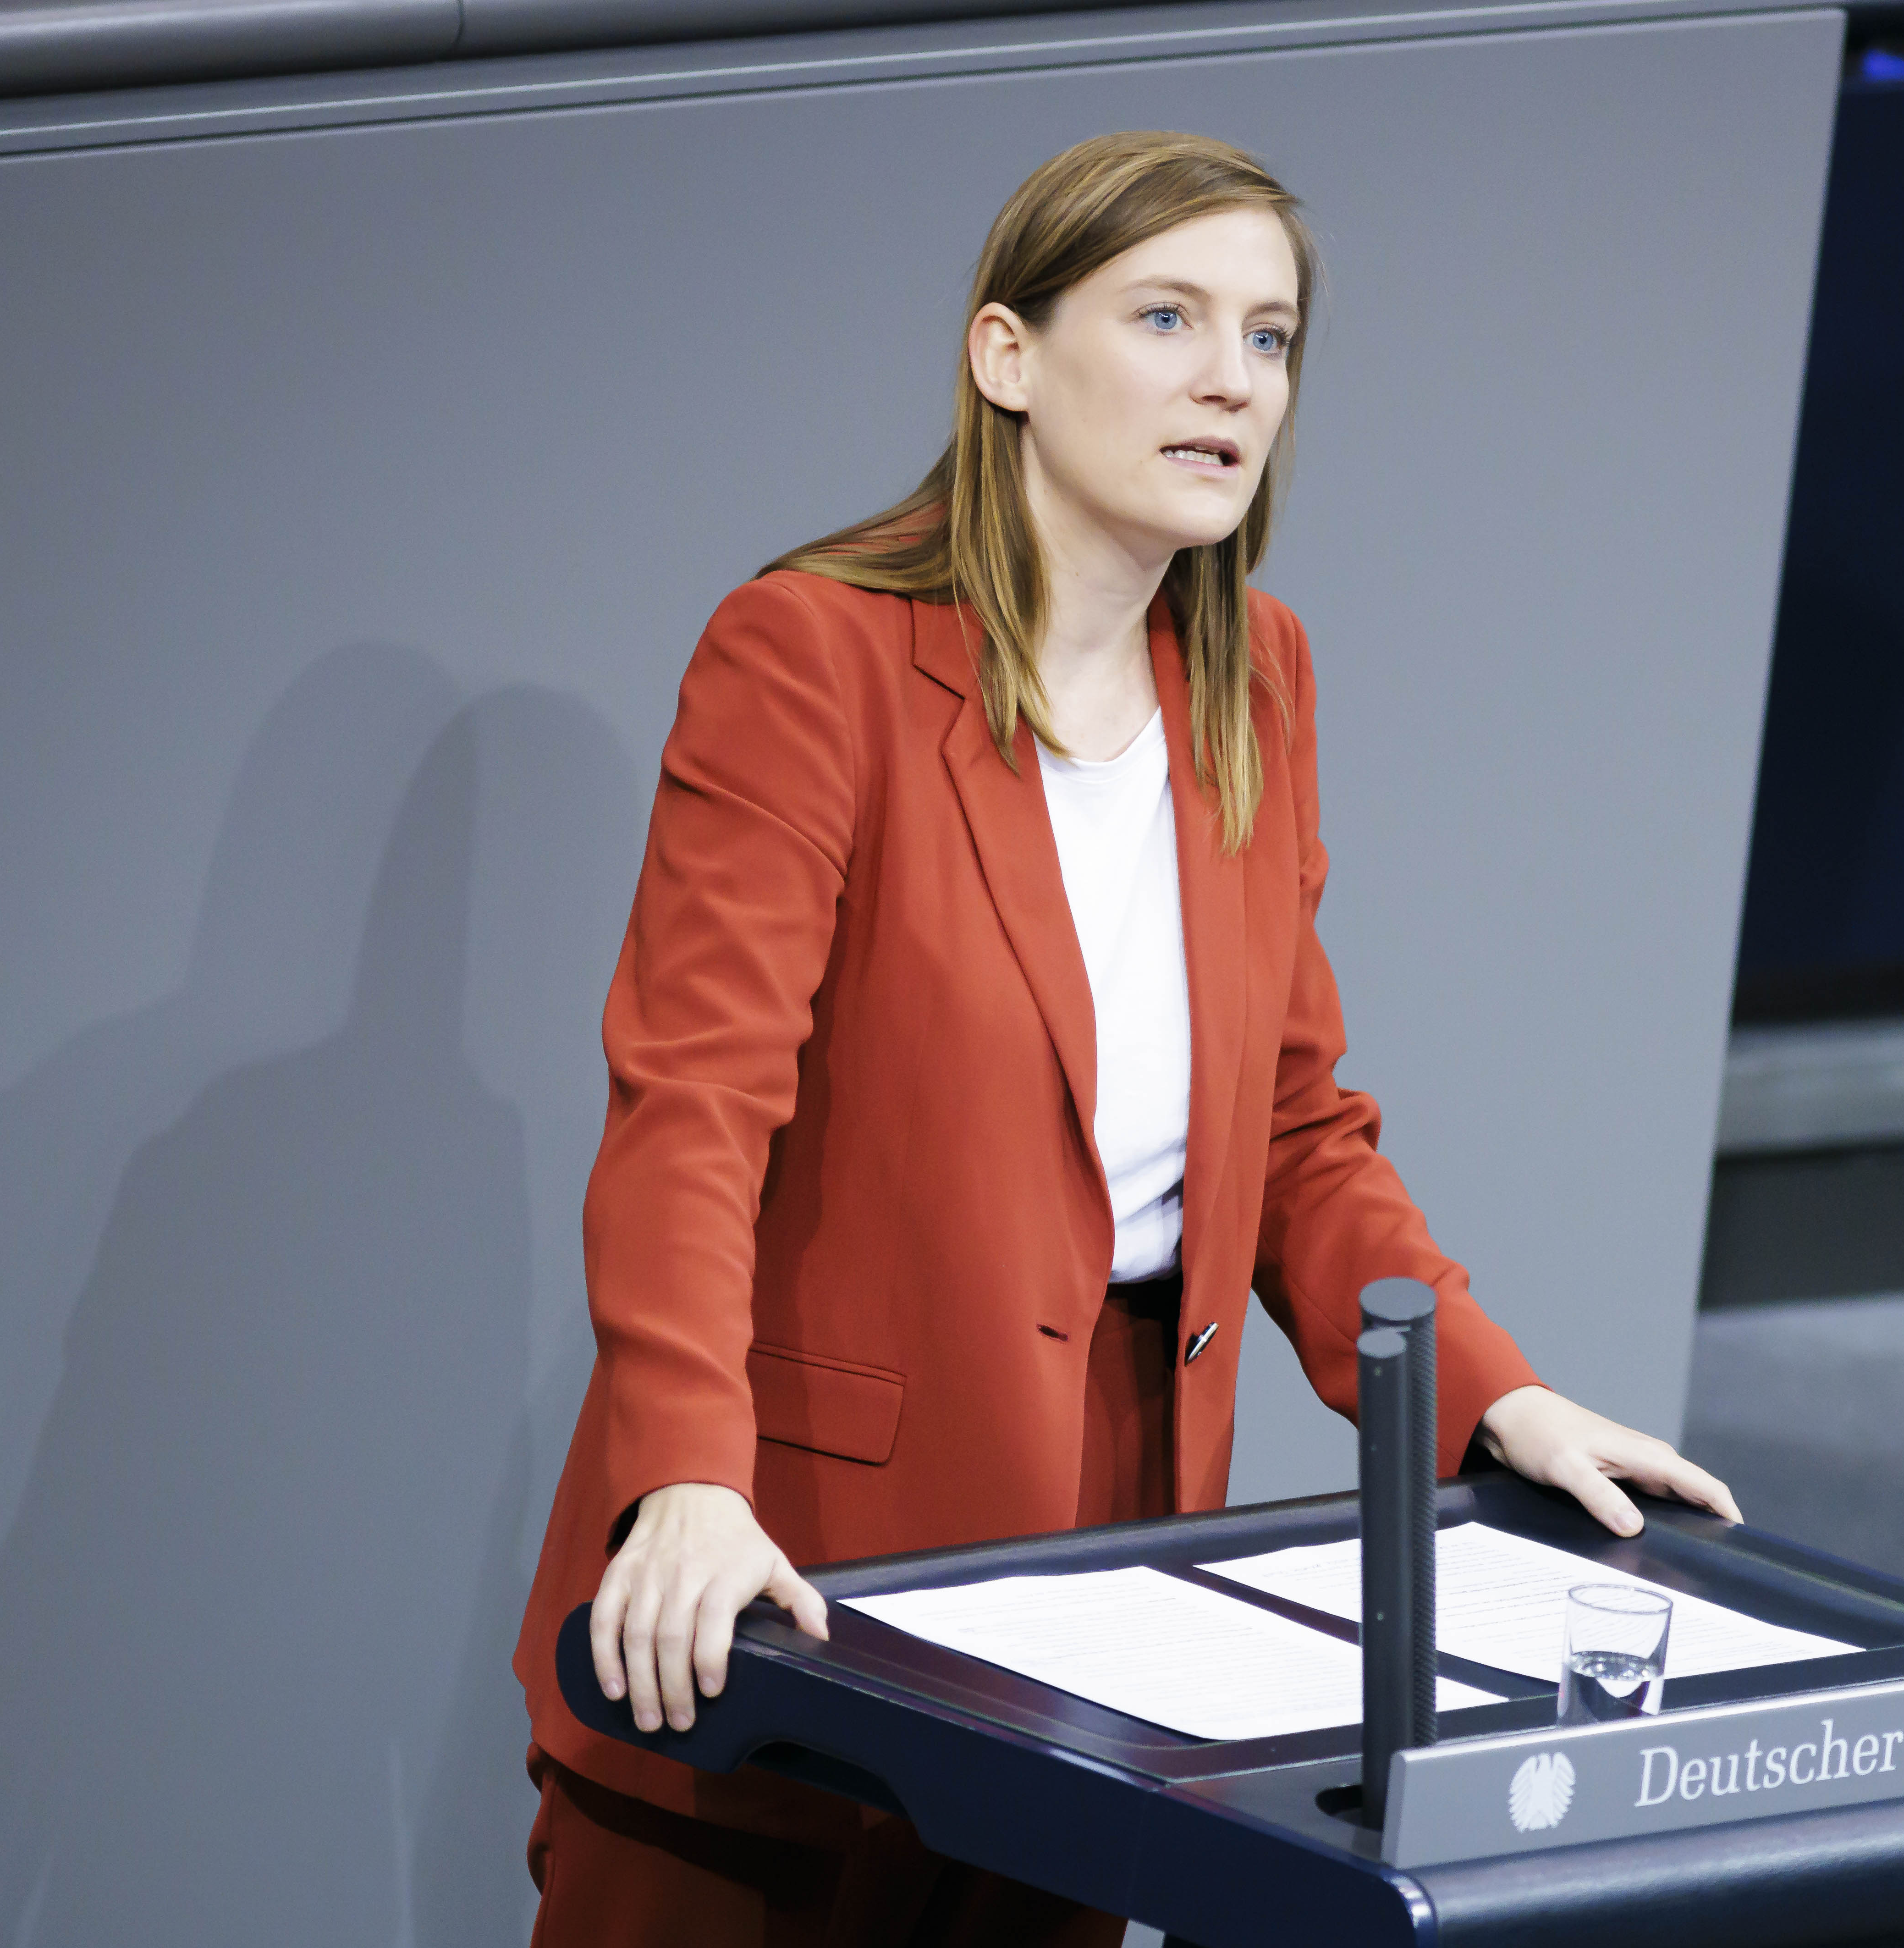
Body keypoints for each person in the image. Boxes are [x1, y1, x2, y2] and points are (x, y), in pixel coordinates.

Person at [508, 130, 1741, 1945]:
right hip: (783, 1600)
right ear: (1009, 355)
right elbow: (694, 1112)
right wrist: (685, 1476)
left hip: (1106, 1611)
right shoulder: (811, 658)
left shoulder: (1256, 681)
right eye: (1169, 317)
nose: (1229, 380)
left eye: (1271, 338)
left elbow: (1301, 1135)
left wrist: (1502, 1393)